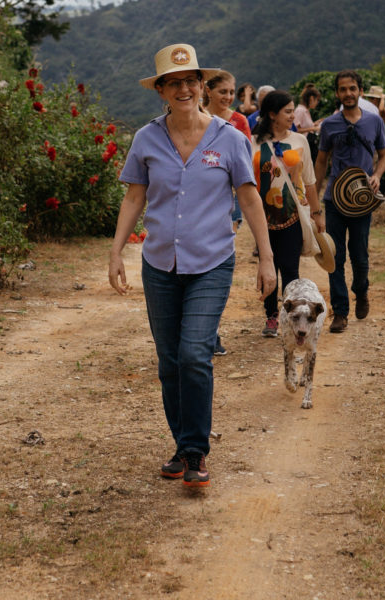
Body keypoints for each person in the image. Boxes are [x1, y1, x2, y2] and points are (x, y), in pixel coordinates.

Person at [108, 43, 276, 488]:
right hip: (160, 263)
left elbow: (249, 197)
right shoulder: (146, 139)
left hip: (211, 262)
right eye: (173, 82)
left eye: (191, 81)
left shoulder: (231, 139)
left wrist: (267, 258)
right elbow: (134, 197)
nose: (184, 88)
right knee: (168, 361)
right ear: (161, 90)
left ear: (202, 86)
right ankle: (182, 446)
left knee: (194, 353)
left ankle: (197, 449)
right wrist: (116, 251)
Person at [315, 70, 385, 333]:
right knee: (334, 255)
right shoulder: (329, 125)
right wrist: (314, 197)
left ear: (360, 91)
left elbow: (384, 155)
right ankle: (340, 312)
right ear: (337, 93)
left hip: (362, 200)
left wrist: (377, 175)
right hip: (334, 198)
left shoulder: (374, 122)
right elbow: (322, 160)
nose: (348, 93)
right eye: (343, 89)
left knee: (360, 254)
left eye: (352, 88)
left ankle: (362, 290)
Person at [251, 90, 325, 338]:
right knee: (268, 266)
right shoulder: (253, 142)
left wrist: (316, 213)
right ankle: (271, 316)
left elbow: (310, 181)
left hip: (293, 216)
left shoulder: (299, 141)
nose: (294, 115)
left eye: (293, 110)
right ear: (272, 114)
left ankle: (290, 316)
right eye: (288, 111)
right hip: (263, 218)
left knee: (291, 270)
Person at [204, 70, 252, 354]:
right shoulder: (195, 118)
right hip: (201, 201)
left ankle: (213, 330)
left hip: (229, 203)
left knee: (218, 261)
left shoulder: (239, 122)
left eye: (232, 92)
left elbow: (244, 163)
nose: (229, 97)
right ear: (208, 91)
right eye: (223, 92)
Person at [294, 83, 323, 164]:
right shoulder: (301, 111)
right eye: (317, 100)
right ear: (311, 98)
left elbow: (304, 126)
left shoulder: (305, 111)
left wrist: (315, 124)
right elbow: (295, 130)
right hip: (303, 145)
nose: (317, 103)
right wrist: (313, 128)